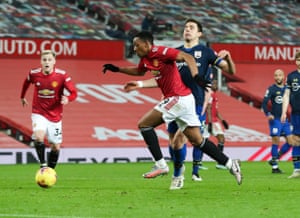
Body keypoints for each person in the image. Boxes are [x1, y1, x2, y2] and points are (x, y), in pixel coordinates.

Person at [102, 31, 242, 190]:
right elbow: (139, 71)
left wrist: (196, 76)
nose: (134, 48)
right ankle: (231, 164)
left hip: (178, 98)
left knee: (144, 124)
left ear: (147, 44)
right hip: (185, 100)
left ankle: (161, 165)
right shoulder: (146, 59)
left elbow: (188, 58)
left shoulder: (161, 52)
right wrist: (117, 69)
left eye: (137, 45)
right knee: (197, 140)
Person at [168, 18, 236, 182]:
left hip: (194, 103)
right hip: (174, 103)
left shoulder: (206, 52)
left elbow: (230, 70)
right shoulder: (175, 53)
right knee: (174, 143)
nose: (187, 30)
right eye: (185, 27)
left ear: (199, 33)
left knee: (181, 138)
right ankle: (180, 167)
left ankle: (180, 175)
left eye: (191, 27)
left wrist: (229, 58)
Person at [20, 50, 77, 169]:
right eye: (44, 60)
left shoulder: (62, 75)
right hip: (38, 112)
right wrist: (22, 96)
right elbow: (26, 82)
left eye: (49, 60)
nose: (47, 62)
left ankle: (50, 171)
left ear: (54, 61)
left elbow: (74, 92)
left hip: (55, 116)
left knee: (55, 147)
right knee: (39, 137)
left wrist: (68, 98)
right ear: (41, 61)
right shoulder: (34, 74)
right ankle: (43, 165)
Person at [262, 69, 292, 173]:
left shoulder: (288, 89)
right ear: (274, 77)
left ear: (283, 77)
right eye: (276, 75)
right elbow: (264, 103)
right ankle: (275, 168)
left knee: (291, 141)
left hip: (285, 120)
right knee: (276, 141)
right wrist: (268, 114)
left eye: (280, 75)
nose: (278, 77)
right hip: (275, 120)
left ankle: (277, 157)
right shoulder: (271, 89)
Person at [281, 51, 300, 178]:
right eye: (298, 59)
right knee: (296, 141)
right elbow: (286, 95)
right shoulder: (291, 76)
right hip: (296, 114)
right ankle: (297, 169)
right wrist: (283, 111)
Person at [206, 78, 230, 170]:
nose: (216, 85)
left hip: (215, 120)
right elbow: (208, 108)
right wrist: (210, 122)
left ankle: (199, 162)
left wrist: (223, 121)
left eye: (216, 83)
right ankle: (220, 162)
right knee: (221, 139)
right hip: (211, 121)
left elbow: (216, 111)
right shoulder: (210, 95)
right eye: (214, 84)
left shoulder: (214, 95)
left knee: (219, 139)